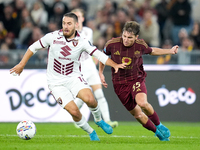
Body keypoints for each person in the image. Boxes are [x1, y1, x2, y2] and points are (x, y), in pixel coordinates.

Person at [10, 12, 126, 141]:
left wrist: (114, 64)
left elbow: (98, 54)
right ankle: (91, 132)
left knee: (90, 99)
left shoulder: (82, 41)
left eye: (69, 24)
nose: (65, 26)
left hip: (74, 77)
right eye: (64, 23)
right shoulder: (52, 37)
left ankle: (99, 120)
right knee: (75, 111)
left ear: (76, 25)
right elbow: (33, 47)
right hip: (55, 83)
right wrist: (21, 64)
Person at [99, 21, 179, 141]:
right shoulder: (112, 44)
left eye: (129, 37)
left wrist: (170, 51)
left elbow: (152, 51)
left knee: (142, 103)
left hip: (136, 79)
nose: (126, 40)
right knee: (138, 114)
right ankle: (157, 132)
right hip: (119, 84)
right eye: (124, 36)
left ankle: (159, 124)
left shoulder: (140, 45)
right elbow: (102, 56)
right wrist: (100, 73)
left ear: (136, 37)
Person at [71, 8, 118, 128]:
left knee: (99, 94)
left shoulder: (88, 31)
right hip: (79, 68)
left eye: (78, 16)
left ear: (82, 18)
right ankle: (77, 120)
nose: (76, 18)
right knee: (83, 97)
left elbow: (87, 45)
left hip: (90, 66)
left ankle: (107, 120)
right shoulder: (69, 33)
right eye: (74, 16)